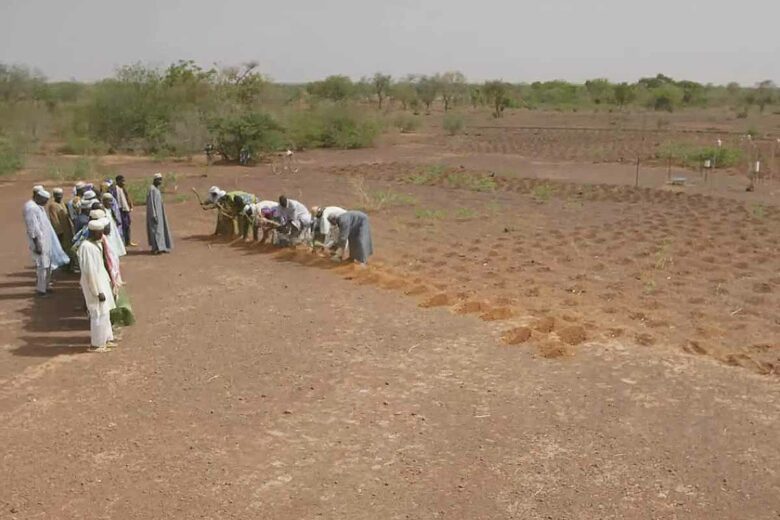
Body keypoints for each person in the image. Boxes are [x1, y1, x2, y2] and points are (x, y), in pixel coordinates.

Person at [78, 219, 117, 352]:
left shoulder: (96, 244)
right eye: (99, 233)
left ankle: (106, 339)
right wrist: (97, 291)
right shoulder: (86, 247)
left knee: (105, 312)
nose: (102, 235)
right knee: (98, 314)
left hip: (102, 283)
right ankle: (97, 344)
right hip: (95, 286)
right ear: (93, 232)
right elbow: (90, 272)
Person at [24, 189, 55, 296]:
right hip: (39, 241)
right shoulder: (31, 208)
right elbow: (32, 227)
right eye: (44, 200)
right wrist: (37, 244)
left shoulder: (38, 206)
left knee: (47, 265)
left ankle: (46, 286)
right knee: (42, 266)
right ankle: (41, 290)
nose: (45, 203)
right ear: (38, 197)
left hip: (45, 240)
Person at [146, 173, 173, 254]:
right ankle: (156, 248)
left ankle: (162, 247)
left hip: (160, 214)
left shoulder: (156, 189)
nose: (160, 181)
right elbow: (151, 203)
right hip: (155, 215)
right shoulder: (152, 189)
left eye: (161, 179)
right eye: (159, 179)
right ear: (155, 180)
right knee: (156, 231)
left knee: (161, 230)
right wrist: (154, 214)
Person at [47, 187, 75, 264]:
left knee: (70, 247)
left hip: (68, 229)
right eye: (57, 195)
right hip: (62, 232)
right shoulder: (52, 206)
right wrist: (59, 232)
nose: (59, 197)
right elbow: (54, 220)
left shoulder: (63, 203)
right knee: (64, 248)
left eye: (60, 195)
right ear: (54, 196)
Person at [102, 193, 127, 257]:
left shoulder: (110, 210)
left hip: (113, 231)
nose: (111, 203)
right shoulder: (103, 211)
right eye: (109, 201)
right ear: (104, 201)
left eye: (111, 201)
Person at [113, 175, 136, 246]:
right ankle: (123, 242)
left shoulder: (122, 189)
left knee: (127, 225)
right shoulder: (115, 189)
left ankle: (128, 241)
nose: (124, 182)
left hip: (126, 210)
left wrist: (130, 206)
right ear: (117, 181)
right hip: (121, 210)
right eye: (122, 181)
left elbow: (127, 198)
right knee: (122, 226)